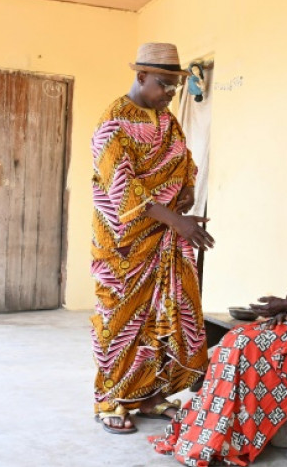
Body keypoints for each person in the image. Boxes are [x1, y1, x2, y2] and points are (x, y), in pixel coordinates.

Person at [151, 176, 287, 467]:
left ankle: (233, 437)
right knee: (233, 340)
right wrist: (280, 308)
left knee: (248, 345)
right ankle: (213, 432)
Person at [91, 42, 216, 435]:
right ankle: (109, 399)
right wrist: (177, 221)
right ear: (141, 76)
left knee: (159, 319)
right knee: (120, 321)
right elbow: (122, 187)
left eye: (175, 87)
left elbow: (185, 161)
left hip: (164, 238)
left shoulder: (167, 120)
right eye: (164, 84)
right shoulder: (113, 123)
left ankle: (146, 397)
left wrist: (187, 189)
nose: (170, 94)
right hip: (123, 246)